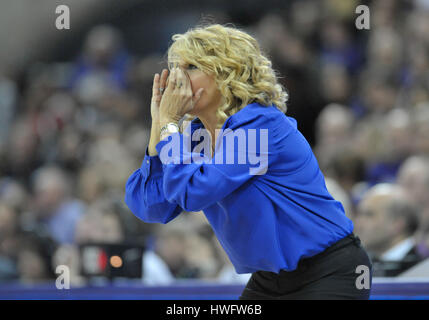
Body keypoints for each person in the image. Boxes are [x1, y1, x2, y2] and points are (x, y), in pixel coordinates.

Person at [125, 24, 372, 299]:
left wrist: (170, 126)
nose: (177, 80)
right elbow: (152, 207)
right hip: (270, 279)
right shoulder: (195, 137)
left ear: (227, 73)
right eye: (176, 68)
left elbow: (196, 192)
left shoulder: (260, 126)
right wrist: (159, 124)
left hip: (329, 270)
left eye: (192, 67)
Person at [354, 183, 423, 277]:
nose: (358, 224)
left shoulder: (422, 268)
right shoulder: (360, 265)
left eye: (369, 214)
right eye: (359, 214)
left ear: (397, 224)